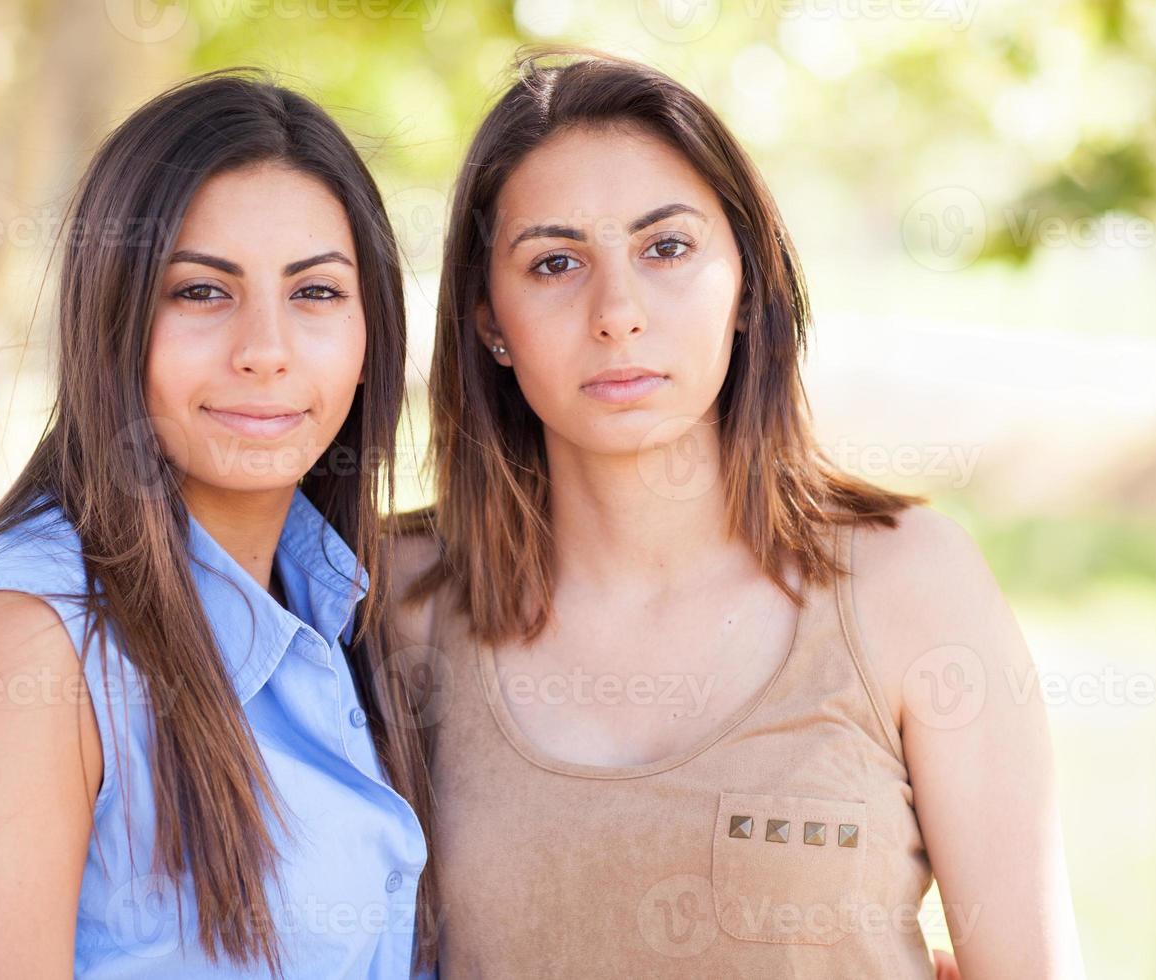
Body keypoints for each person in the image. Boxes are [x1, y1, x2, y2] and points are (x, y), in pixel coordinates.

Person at [390, 50, 1083, 979]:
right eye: (555, 262)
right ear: (489, 323)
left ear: (749, 284)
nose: (618, 311)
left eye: (666, 248)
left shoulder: (911, 585)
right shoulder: (398, 595)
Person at [0, 69, 437, 979]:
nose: (265, 351)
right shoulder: (31, 647)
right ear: (115, 318)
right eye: (202, 292)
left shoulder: (340, 608)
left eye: (316, 293)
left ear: (373, 333)